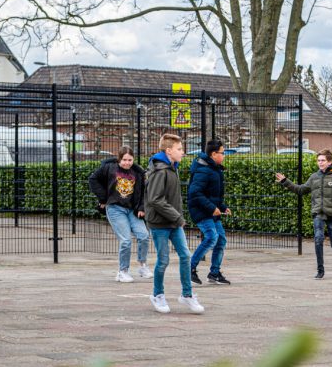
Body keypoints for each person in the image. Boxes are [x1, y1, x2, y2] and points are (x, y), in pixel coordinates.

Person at [145, 133, 204, 314]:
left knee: (185, 256)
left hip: (173, 222)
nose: (183, 152)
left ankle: (187, 295)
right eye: (179, 149)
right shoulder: (160, 170)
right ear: (169, 151)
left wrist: (176, 218)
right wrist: (177, 217)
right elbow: (155, 199)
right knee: (163, 260)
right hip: (159, 223)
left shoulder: (172, 167)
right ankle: (157, 295)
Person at [276, 149, 332, 279]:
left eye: (323, 160)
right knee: (318, 239)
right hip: (318, 213)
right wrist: (285, 182)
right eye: (318, 160)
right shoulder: (314, 177)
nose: (320, 163)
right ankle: (320, 270)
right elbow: (300, 190)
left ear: (329, 162)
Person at [88, 146, 153, 283]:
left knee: (144, 235)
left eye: (130, 160)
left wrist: (141, 207)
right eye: (124, 160)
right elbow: (93, 179)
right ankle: (122, 272)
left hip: (132, 210)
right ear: (119, 159)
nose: (127, 163)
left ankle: (142, 266)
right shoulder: (109, 168)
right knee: (126, 240)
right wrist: (103, 198)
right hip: (115, 209)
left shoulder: (138, 172)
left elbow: (142, 192)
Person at [188, 138, 232, 286]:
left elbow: (214, 194)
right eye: (222, 153)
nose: (224, 155)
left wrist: (222, 206)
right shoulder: (203, 170)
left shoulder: (214, 169)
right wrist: (212, 208)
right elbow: (195, 193)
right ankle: (190, 268)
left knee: (221, 240)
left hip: (211, 210)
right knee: (211, 237)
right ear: (214, 154)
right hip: (201, 210)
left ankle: (214, 273)